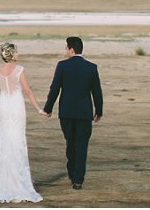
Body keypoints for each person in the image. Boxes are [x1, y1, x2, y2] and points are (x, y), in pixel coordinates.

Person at [0, 43, 45, 203]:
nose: (18, 53)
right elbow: (28, 91)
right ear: (12, 54)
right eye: (16, 51)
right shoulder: (19, 69)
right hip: (16, 106)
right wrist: (39, 109)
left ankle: (1, 182)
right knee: (17, 140)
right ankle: (18, 182)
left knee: (4, 139)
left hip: (3, 107)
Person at [43, 36, 103, 190]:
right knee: (82, 145)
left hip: (67, 113)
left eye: (66, 48)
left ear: (71, 49)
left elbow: (55, 88)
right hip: (84, 113)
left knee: (70, 143)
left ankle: (72, 173)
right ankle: (78, 179)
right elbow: (97, 92)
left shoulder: (62, 66)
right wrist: (99, 111)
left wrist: (48, 108)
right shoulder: (91, 67)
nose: (66, 51)